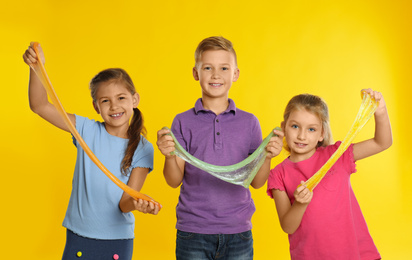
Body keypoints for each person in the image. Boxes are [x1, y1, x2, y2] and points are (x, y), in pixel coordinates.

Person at [23, 43, 160, 260]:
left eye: (121, 98)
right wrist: (36, 67)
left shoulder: (143, 149)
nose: (114, 106)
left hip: (117, 240)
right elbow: (39, 105)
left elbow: (125, 202)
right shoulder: (86, 130)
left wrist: (138, 203)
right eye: (105, 101)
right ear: (96, 107)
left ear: (134, 100)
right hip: (79, 235)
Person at [156, 36, 284, 260]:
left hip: (238, 232)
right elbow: (173, 180)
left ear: (235, 74)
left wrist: (268, 156)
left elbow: (257, 182)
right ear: (196, 74)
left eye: (224, 68)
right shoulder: (182, 121)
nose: (216, 75)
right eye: (208, 68)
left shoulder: (249, 122)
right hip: (193, 231)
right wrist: (168, 156)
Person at [267, 90, 392, 259]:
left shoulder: (337, 156)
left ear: (322, 134)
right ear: (283, 128)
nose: (302, 136)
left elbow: (381, 143)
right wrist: (300, 204)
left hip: (357, 254)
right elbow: (288, 226)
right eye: (295, 126)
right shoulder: (278, 174)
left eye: (311, 129)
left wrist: (381, 111)